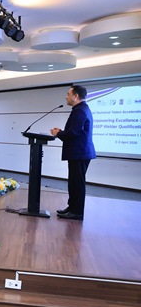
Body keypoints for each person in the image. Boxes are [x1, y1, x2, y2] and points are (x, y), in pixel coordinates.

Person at [50, 85, 96, 221]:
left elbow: (74, 133)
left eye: (68, 94)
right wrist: (61, 132)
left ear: (75, 96)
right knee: (74, 182)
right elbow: (75, 131)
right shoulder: (81, 109)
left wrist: (58, 134)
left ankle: (76, 212)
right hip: (79, 152)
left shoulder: (80, 110)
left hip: (80, 153)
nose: (66, 97)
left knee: (77, 183)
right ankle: (72, 208)